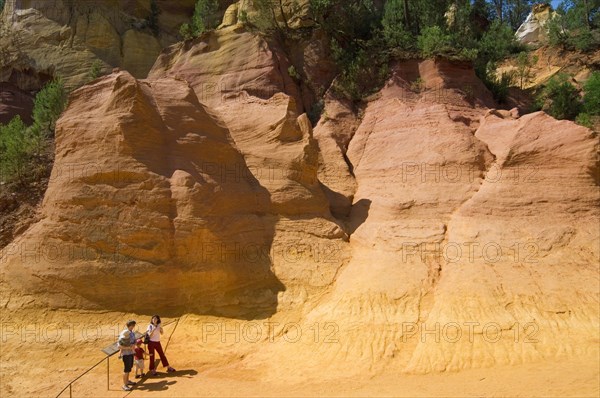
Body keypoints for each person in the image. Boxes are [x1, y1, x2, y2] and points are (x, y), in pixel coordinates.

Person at [118, 320, 138, 392]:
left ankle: (127, 381)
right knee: (126, 369)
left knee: (129, 368)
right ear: (130, 325)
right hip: (126, 354)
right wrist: (129, 348)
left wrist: (134, 343)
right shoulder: (123, 334)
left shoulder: (132, 333)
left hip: (131, 353)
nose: (133, 327)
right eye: (132, 325)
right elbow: (119, 346)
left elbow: (134, 341)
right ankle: (124, 385)